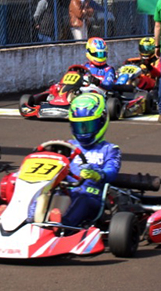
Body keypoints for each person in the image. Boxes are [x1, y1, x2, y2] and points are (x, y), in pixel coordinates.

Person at [50, 92, 122, 228]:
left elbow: (112, 171)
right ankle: (27, 220)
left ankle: (62, 227)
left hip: (91, 196)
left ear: (101, 122)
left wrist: (98, 174)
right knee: (43, 194)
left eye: (87, 126)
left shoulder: (110, 149)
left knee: (82, 199)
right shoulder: (66, 146)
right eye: (78, 126)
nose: (83, 132)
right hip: (63, 192)